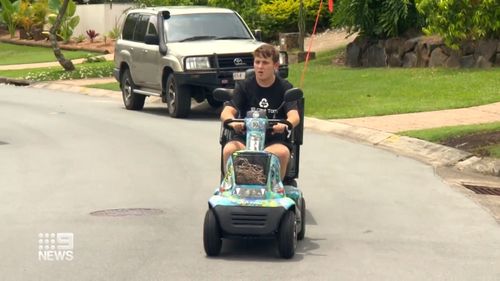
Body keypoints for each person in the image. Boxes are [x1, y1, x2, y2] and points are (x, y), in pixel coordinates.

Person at [220, 44, 300, 180]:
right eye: (257, 62)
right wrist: (232, 123)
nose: (260, 66)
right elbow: (227, 112)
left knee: (280, 153)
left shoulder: (285, 87)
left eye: (265, 63)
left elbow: (294, 116)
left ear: (275, 66)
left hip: (273, 139)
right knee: (229, 149)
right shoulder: (244, 85)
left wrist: (285, 124)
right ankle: (229, 186)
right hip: (244, 137)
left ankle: (274, 190)